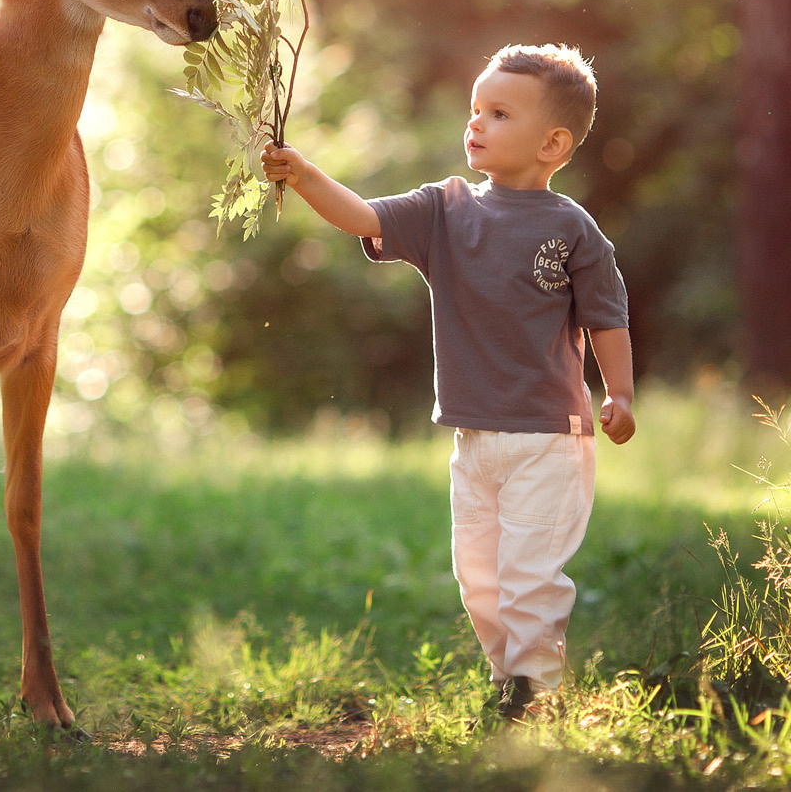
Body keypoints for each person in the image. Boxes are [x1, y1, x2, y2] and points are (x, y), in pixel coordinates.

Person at [261, 42, 635, 721]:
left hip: (550, 437)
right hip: (472, 438)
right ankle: (508, 679)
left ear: (553, 143)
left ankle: (534, 689)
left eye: (498, 113)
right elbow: (364, 216)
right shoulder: (445, 209)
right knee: (480, 579)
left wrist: (621, 392)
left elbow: (607, 317)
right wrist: (306, 174)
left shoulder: (572, 229)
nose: (476, 123)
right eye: (475, 109)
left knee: (529, 576)